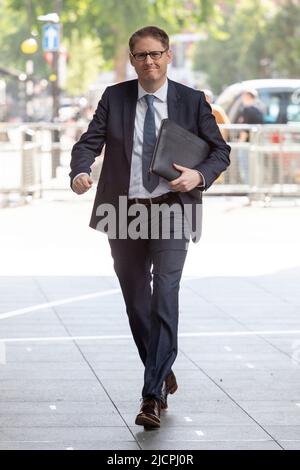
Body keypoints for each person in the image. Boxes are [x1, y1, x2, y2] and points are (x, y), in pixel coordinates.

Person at [69, 26, 231, 429]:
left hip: (173, 208)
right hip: (123, 211)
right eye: (141, 55)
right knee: (137, 300)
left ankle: (151, 395)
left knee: (165, 293)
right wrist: (79, 170)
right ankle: (160, 367)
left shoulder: (191, 101)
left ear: (168, 56)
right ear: (132, 59)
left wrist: (199, 176)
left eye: (156, 54)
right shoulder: (115, 97)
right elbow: (89, 142)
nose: (150, 62)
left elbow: (220, 151)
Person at [236, 89, 264, 184]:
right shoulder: (259, 110)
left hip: (246, 145)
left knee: (246, 168)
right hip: (256, 144)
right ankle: (256, 190)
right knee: (255, 168)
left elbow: (245, 130)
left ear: (248, 97)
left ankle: (250, 191)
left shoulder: (247, 110)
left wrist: (239, 144)